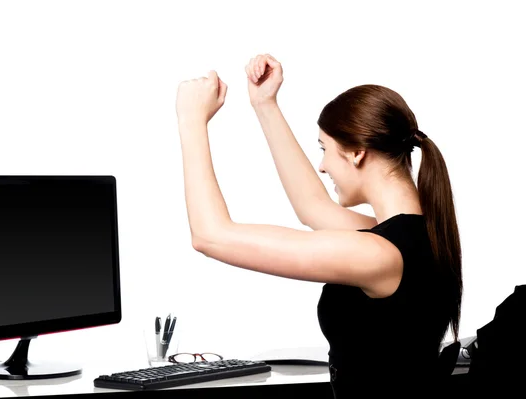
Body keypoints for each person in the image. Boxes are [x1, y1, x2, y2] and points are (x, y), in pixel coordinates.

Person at [175, 53, 462, 398]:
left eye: (325, 149)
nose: (323, 167)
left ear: (357, 153)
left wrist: (191, 121)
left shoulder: (378, 254)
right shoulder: (416, 236)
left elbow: (211, 236)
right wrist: (265, 105)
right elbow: (312, 207)